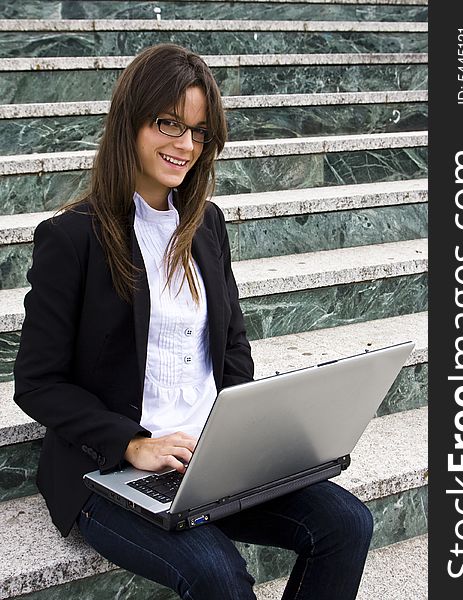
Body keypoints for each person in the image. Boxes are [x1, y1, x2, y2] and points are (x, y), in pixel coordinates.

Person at [14, 43, 373, 599]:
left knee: (347, 523)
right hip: (113, 471)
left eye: (198, 132)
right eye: (168, 124)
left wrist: (241, 436)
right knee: (218, 575)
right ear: (130, 120)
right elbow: (37, 382)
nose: (185, 145)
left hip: (209, 459)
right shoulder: (71, 238)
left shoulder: (206, 225)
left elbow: (232, 347)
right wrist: (133, 443)